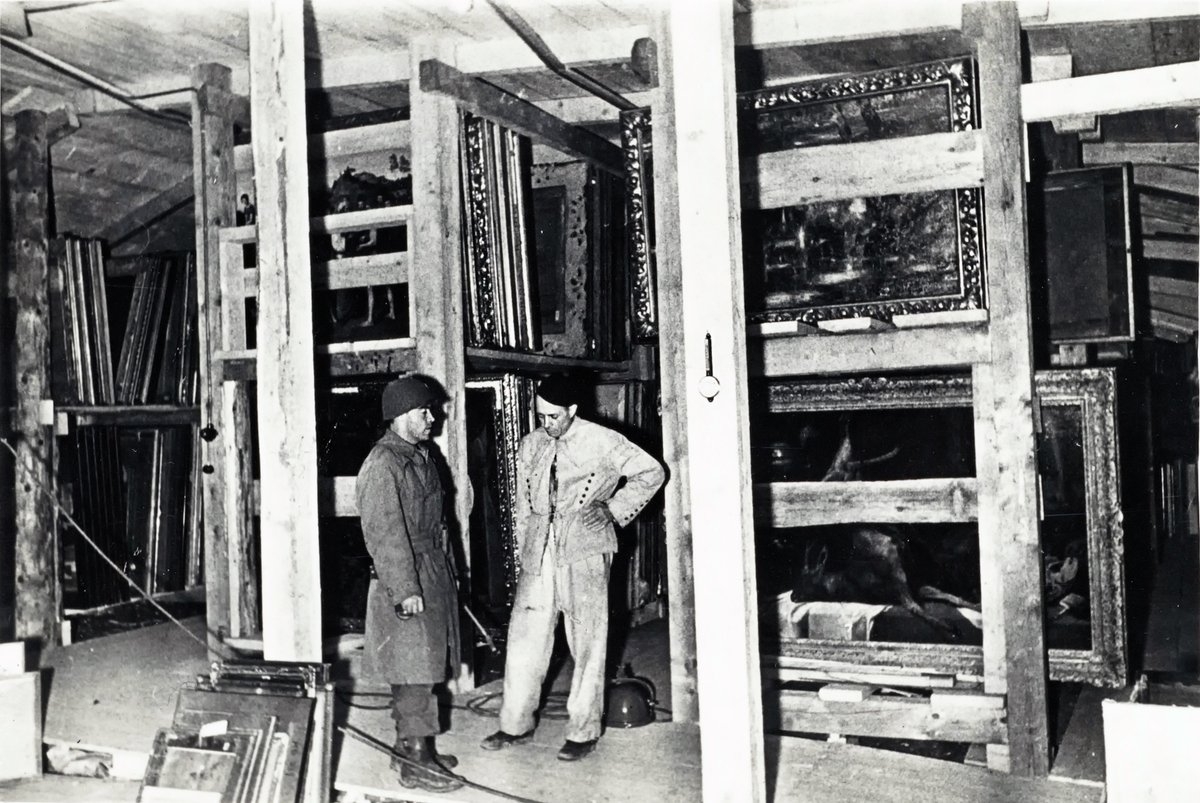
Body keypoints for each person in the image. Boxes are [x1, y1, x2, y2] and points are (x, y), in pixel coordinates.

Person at [481, 375, 666, 762]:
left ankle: (583, 732)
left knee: (588, 641)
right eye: (540, 416)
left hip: (584, 548)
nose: (545, 424)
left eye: (553, 417)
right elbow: (522, 503)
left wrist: (613, 511)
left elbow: (652, 473)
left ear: (573, 412)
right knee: (524, 639)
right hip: (539, 552)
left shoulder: (602, 440)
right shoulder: (531, 444)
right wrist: (523, 550)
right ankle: (514, 725)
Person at [356, 375, 462, 794]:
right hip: (405, 576)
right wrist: (405, 591)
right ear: (401, 415)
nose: (433, 418)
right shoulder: (382, 465)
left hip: (431, 570)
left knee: (426, 665)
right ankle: (416, 762)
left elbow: (438, 523)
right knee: (414, 670)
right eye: (425, 411)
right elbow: (384, 534)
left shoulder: (421, 455)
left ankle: (412, 747)